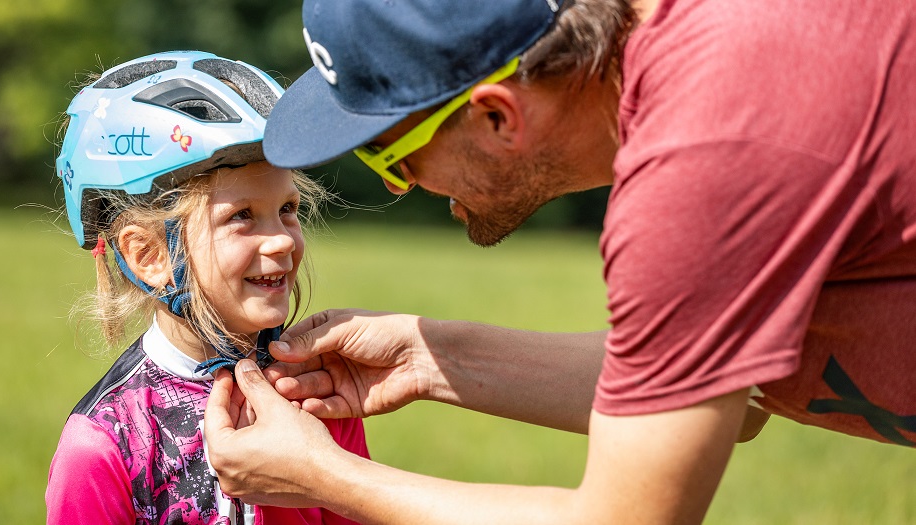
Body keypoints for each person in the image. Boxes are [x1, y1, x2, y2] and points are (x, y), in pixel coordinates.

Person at [201, 0, 916, 523]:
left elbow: (625, 517)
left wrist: (325, 475)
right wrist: (426, 355)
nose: (403, 186)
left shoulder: (700, 162)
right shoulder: (706, 53)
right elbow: (722, 387)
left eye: (389, 157)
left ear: (496, 117)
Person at [44, 50, 368, 525]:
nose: (281, 238)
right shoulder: (103, 448)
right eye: (242, 216)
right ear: (150, 256)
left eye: (288, 209)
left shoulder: (320, 391)